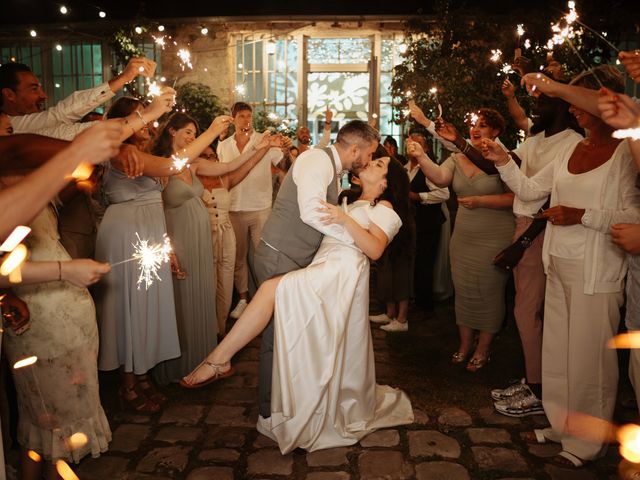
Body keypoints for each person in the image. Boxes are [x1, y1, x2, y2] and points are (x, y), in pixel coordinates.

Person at [182, 156, 414, 453]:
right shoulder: (347, 199)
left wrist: (343, 219)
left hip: (339, 274)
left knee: (268, 290)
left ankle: (219, 359)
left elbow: (375, 249)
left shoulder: (384, 208)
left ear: (386, 183)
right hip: (325, 267)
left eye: (379, 164)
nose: (370, 162)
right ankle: (286, 391)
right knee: (303, 333)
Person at [482, 66, 639, 469]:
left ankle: (587, 440)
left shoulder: (625, 153)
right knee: (558, 351)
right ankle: (559, 421)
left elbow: (631, 215)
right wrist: (502, 160)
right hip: (558, 262)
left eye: (579, 104)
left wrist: (581, 215)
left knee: (589, 361)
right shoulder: (570, 148)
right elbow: (533, 191)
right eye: (571, 105)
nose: (574, 112)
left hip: (596, 270)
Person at [0, 122, 123, 479]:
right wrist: (62, 271)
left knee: (57, 421)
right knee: (46, 421)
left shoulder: (30, 179)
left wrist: (80, 179)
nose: (15, 136)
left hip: (69, 312)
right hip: (38, 316)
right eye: (6, 131)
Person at [251, 119, 380, 420]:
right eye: (370, 154)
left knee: (288, 334)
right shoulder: (315, 160)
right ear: (355, 148)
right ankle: (270, 411)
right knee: (275, 336)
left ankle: (287, 400)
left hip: (293, 258)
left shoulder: (333, 170)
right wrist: (357, 241)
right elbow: (311, 212)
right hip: (278, 256)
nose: (369, 161)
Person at [151, 113, 281, 384]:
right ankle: (176, 365)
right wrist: (167, 246)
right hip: (179, 238)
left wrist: (259, 148)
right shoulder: (162, 166)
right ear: (171, 132)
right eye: (187, 132)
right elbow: (154, 210)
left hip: (201, 238)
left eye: (194, 132)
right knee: (180, 299)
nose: (191, 137)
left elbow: (230, 168)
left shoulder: (195, 164)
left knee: (203, 293)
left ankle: (201, 359)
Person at [407, 109, 514, 372]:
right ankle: (465, 345)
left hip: (494, 234)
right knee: (464, 291)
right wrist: (421, 157)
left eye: (483, 126)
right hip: (464, 236)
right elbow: (440, 178)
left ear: (496, 132)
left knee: (489, 292)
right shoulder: (457, 157)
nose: (476, 130)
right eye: (473, 125)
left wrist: (481, 201)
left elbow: (517, 197)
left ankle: (483, 348)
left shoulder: (504, 158)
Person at [198, 141, 281, 336]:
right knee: (208, 281)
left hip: (226, 233)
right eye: (206, 157)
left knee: (225, 283)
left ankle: (220, 328)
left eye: (213, 157)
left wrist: (264, 148)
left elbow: (248, 166)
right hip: (204, 235)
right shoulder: (191, 180)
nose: (211, 160)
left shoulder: (224, 179)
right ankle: (204, 330)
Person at [217, 102, 287, 320]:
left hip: (260, 207)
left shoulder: (263, 141)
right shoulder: (224, 145)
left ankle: (266, 299)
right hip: (233, 207)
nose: (246, 120)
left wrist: (285, 149)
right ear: (234, 119)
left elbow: (284, 165)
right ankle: (244, 299)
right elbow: (221, 176)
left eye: (249, 116)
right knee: (237, 256)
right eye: (242, 116)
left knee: (261, 255)